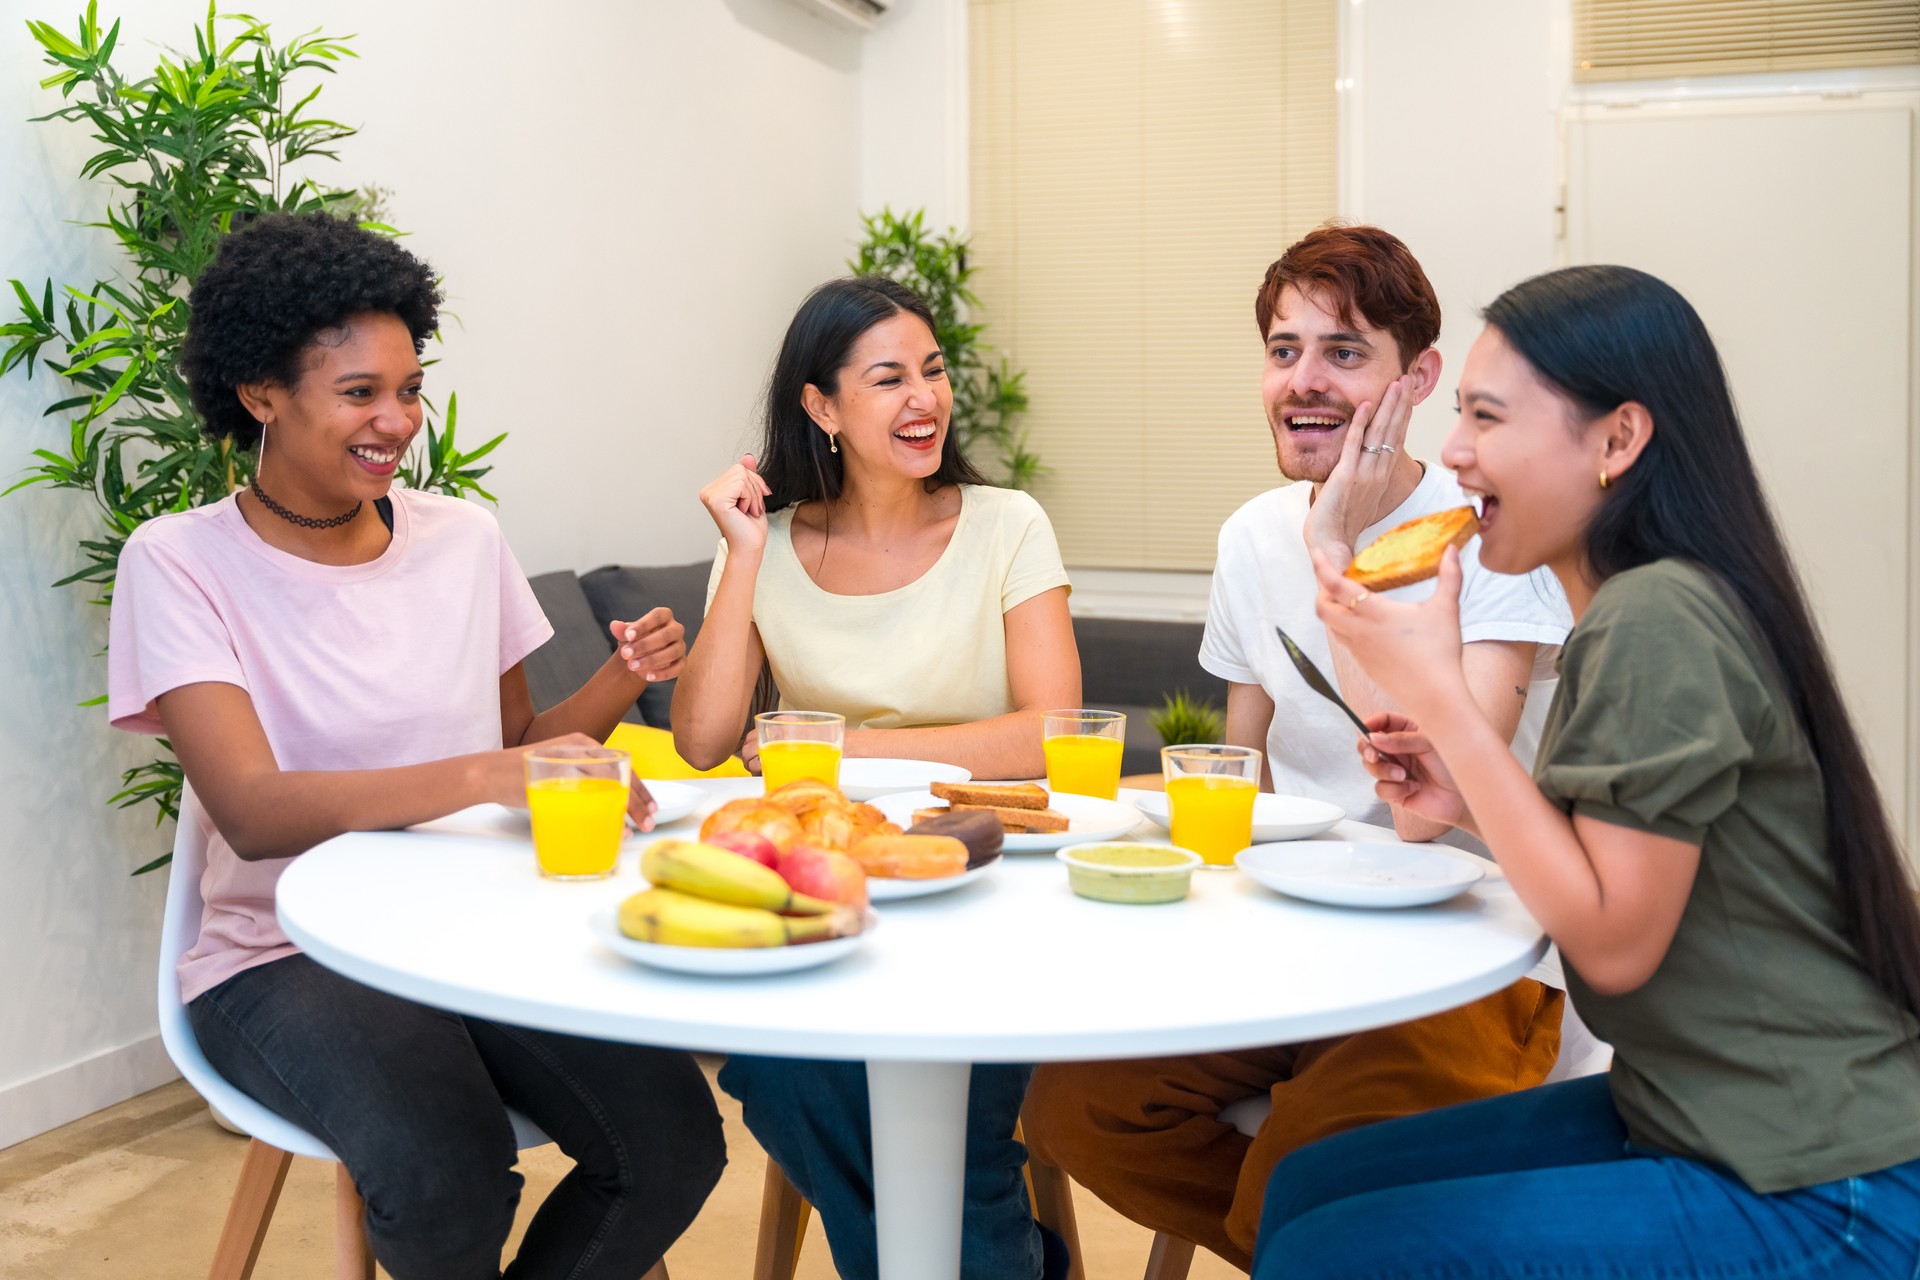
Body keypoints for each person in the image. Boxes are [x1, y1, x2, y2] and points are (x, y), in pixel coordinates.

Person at [1250, 264, 1920, 1277]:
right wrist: (1470, 791)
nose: (1458, 451)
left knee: (1334, 1251)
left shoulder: (1656, 616)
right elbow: (1611, 868)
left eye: (1486, 417)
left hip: (1827, 1178)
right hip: (1690, 1105)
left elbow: (1612, 945)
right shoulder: (1642, 604)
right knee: (1304, 1183)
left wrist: (1440, 701)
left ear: (1619, 440)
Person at [108, 212, 725, 1280]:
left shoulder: (462, 537)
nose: (397, 420)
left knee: (673, 1138)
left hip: (471, 931)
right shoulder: (179, 562)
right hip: (287, 952)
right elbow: (251, 808)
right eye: (360, 393)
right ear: (261, 392)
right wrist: (494, 772)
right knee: (446, 1169)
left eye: (410, 386)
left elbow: (520, 743)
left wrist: (622, 681)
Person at [1022, 224, 1572, 1272]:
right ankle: (1327, 1251)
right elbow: (1245, 774)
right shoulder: (1248, 536)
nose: (1303, 382)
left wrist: (1339, 547)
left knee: (1302, 1169)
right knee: (1074, 1108)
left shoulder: (1487, 533)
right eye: (1284, 350)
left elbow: (1423, 811)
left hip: (1471, 950)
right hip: (1301, 931)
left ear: (1417, 379)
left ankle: (1326, 1241)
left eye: (1344, 352)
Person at [670, 275, 1080, 1280]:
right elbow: (702, 736)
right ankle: (1020, 1259)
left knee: (952, 1105)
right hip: (829, 888)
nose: (924, 399)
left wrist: (850, 751)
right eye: (889, 378)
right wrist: (744, 554)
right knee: (785, 1074)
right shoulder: (765, 543)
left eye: (934, 371)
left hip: (985, 884)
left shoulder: (1004, 525)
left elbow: (1055, 730)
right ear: (821, 406)